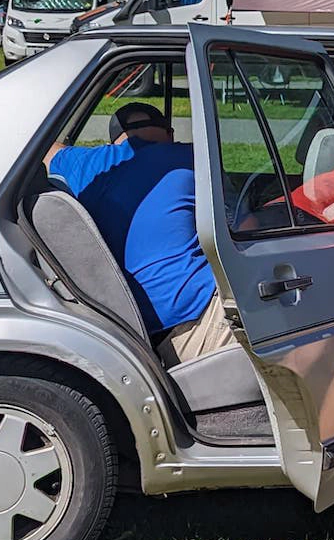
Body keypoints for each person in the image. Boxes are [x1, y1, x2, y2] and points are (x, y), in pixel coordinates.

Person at [47, 102, 232, 364]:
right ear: (169, 133)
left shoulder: (85, 163)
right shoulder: (194, 158)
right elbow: (242, 229)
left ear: (114, 141)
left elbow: (43, 149)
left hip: (124, 331)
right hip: (197, 318)